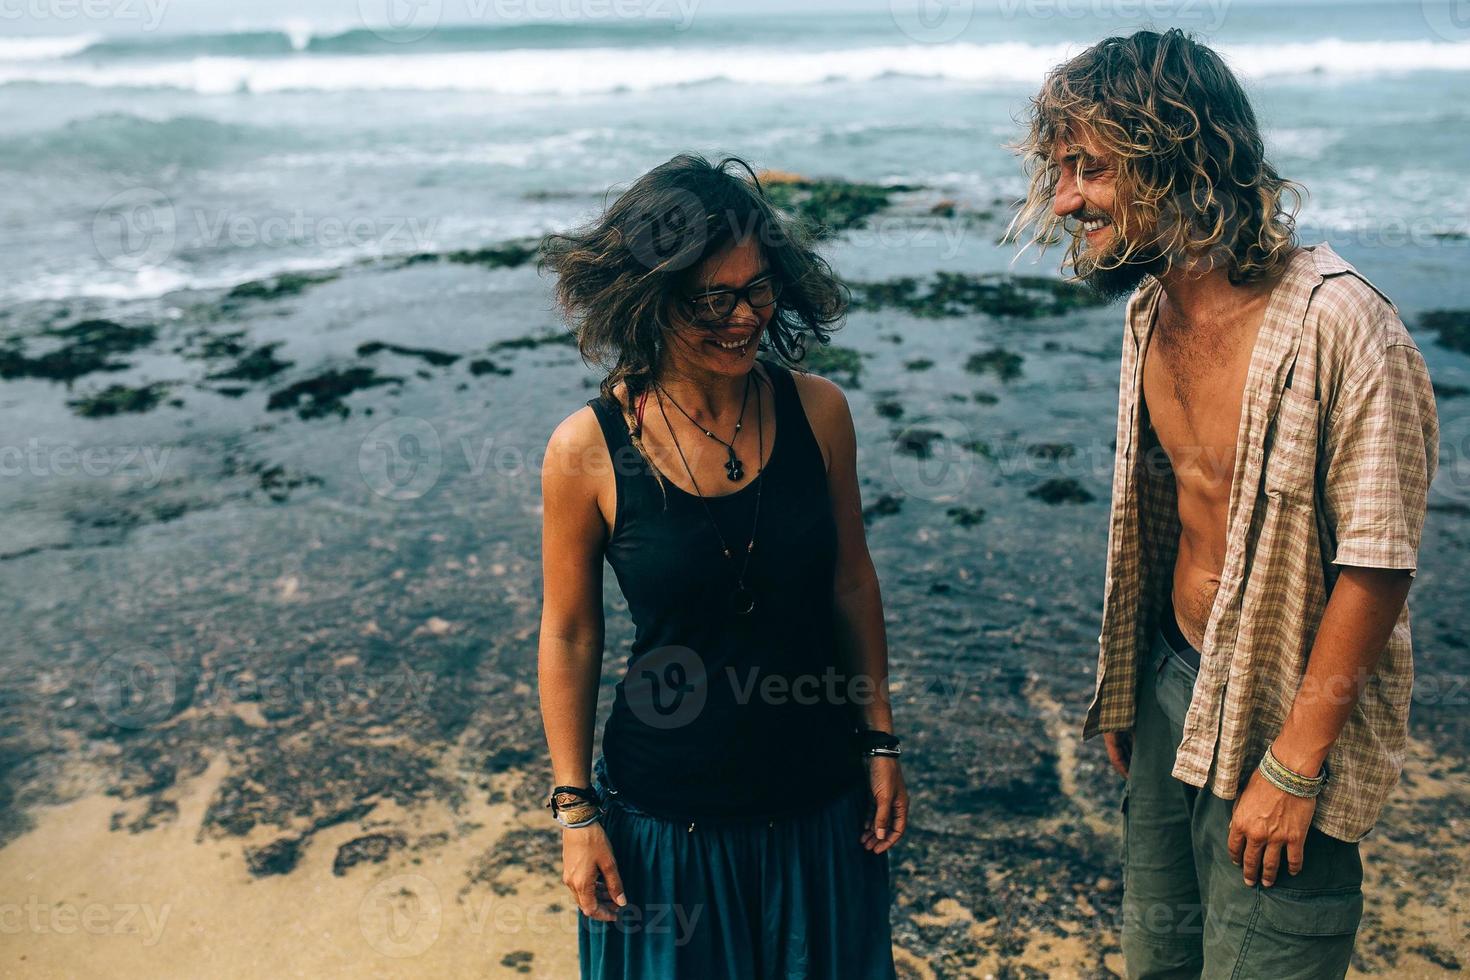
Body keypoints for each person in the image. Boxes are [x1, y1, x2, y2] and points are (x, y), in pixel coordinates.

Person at [1008, 30, 1439, 978]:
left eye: (1089, 169)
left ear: (1177, 159)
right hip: (1170, 677)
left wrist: (1294, 766)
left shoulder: (1343, 324)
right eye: (1059, 169)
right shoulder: (1148, 309)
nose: (1066, 198)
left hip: (1285, 710)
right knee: (1159, 957)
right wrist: (1130, 683)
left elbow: (1377, 563)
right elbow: (1165, 514)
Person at [536, 153, 906, 979]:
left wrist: (880, 742)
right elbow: (568, 633)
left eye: (758, 288)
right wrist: (574, 811)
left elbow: (852, 579)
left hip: (820, 804)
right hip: (665, 822)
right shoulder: (586, 450)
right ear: (651, 296)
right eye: (713, 297)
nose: (744, 317)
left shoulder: (820, 413)